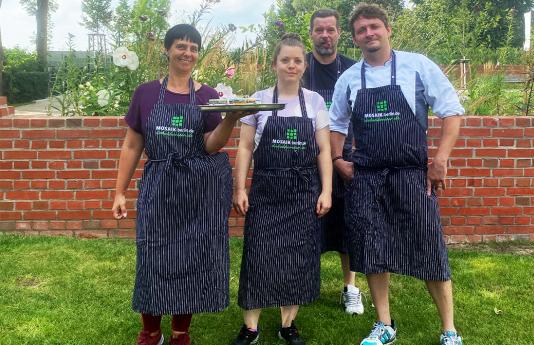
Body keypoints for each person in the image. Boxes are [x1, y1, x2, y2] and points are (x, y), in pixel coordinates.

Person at [329, 4, 465, 345]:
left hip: (411, 176)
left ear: (388, 29)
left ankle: (449, 329)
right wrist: (336, 158)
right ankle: (384, 325)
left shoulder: (417, 66)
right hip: (367, 177)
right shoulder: (349, 79)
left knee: (430, 247)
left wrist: (441, 159)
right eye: (362, 30)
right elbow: (336, 123)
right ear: (356, 38)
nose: (369, 34)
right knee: (373, 251)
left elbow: (452, 111)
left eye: (374, 27)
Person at [111, 24, 251, 345]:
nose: (187, 52)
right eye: (181, 46)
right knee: (152, 255)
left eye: (193, 47)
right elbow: (132, 145)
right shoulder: (146, 94)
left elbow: (211, 145)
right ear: (167, 49)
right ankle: (150, 331)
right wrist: (119, 191)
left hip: (198, 190)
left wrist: (229, 118)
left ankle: (180, 332)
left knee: (191, 255)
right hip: (159, 186)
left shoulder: (208, 96)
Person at [230, 33, 333, 345]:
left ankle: (288, 324)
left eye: (297, 60)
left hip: (303, 192)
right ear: (274, 64)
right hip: (266, 189)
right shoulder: (258, 100)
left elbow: (324, 150)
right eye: (285, 60)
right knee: (259, 254)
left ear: (304, 65)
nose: (292, 65)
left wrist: (326, 190)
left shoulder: (315, 101)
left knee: (298, 257)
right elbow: (245, 148)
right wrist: (240, 188)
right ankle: (251, 327)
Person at [302, 8, 363, 315]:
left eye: (330, 30)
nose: (325, 35)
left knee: (347, 226)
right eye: (319, 30)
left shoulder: (354, 70)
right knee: (305, 224)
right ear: (311, 34)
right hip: (305, 158)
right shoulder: (299, 69)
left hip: (345, 157)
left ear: (339, 34)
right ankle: (302, 284)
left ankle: (350, 288)